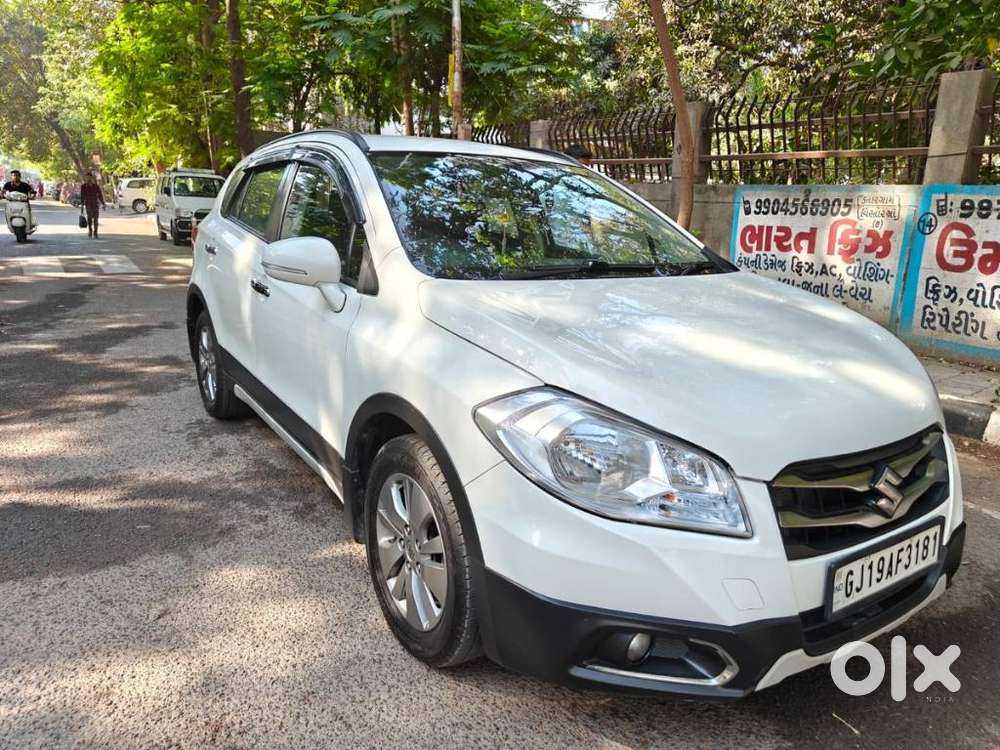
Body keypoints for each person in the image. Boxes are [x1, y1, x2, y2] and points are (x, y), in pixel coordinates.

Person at [80, 172, 106, 239]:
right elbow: (82, 196)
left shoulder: (96, 186)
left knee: (96, 220)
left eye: (89, 177)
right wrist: (82, 205)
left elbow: (100, 195)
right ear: (86, 178)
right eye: (87, 177)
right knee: (89, 219)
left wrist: (103, 203)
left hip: (95, 204)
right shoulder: (83, 186)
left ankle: (96, 233)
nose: (88, 178)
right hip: (88, 204)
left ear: (91, 178)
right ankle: (90, 231)